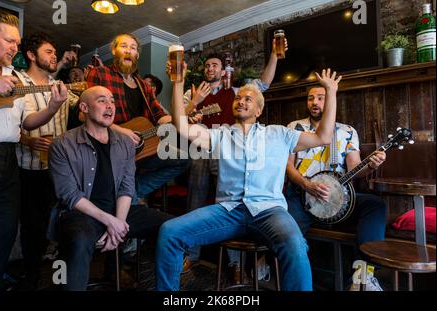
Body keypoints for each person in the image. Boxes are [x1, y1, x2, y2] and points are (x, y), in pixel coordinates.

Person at [155, 63, 342, 291]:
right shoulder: (219, 135)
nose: (241, 101)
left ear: (258, 111)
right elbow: (181, 127)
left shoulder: (279, 134)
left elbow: (323, 136)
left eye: (248, 99)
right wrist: (177, 83)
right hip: (227, 211)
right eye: (238, 98)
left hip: (269, 211)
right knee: (170, 232)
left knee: (295, 243)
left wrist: (331, 92)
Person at [182, 38, 287, 280]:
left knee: (233, 200)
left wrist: (274, 54)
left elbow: (265, 83)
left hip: (229, 150)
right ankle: (191, 254)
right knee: (196, 196)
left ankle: (236, 263)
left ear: (222, 69)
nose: (210, 68)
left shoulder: (238, 91)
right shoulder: (193, 91)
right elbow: (180, 119)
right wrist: (194, 106)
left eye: (215, 65)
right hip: (201, 147)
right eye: (207, 65)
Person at [48, 86, 172, 290]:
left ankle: (166, 291)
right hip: (80, 213)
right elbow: (68, 194)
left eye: (112, 101)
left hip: (119, 210)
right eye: (102, 100)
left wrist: (119, 223)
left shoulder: (125, 143)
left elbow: (127, 186)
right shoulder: (62, 144)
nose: (110, 106)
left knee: (172, 228)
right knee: (79, 240)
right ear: (84, 107)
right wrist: (110, 221)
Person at [0, 11, 67, 290]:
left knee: (7, 231)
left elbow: (28, 122)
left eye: (17, 43)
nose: (14, 48)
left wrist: (54, 108)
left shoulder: (15, 78)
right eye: (9, 40)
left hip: (8, 159)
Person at [284, 86, 387, 291]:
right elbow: (287, 166)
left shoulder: (347, 131)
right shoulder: (294, 128)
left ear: (331, 100)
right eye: (311, 98)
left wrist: (371, 165)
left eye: (321, 98)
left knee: (375, 205)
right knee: (283, 228)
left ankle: (362, 278)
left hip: (339, 200)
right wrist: (306, 185)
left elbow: (354, 168)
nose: (315, 102)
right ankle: (268, 263)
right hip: (302, 195)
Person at [86, 33, 189, 206]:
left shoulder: (144, 85)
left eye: (133, 48)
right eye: (123, 46)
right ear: (114, 51)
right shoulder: (100, 74)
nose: (128, 51)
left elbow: (160, 116)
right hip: (110, 145)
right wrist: (121, 130)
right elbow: (89, 113)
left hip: (141, 148)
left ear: (137, 55)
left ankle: (133, 192)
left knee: (182, 159)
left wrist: (181, 118)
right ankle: (126, 199)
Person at [15, 32, 79, 290]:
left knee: (59, 219)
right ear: (31, 55)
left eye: (55, 53)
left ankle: (61, 276)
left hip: (58, 166)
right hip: (27, 168)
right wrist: (26, 140)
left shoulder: (57, 84)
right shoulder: (17, 81)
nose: (54, 56)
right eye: (49, 52)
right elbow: (6, 124)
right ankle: (31, 278)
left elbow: (80, 104)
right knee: (32, 224)